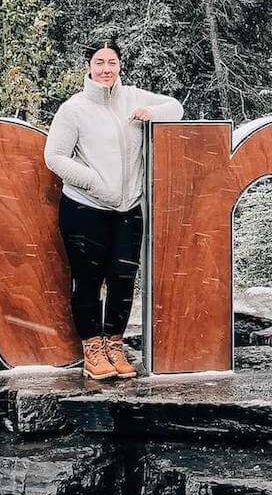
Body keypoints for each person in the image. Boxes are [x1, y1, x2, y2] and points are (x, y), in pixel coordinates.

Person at [43, 40, 183, 379]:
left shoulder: (134, 97)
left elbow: (175, 107)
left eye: (112, 61)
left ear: (119, 64)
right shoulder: (74, 109)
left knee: (122, 280)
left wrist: (153, 114)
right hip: (84, 208)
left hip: (128, 209)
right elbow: (54, 156)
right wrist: (91, 181)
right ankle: (93, 348)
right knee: (88, 281)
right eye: (99, 62)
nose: (106, 68)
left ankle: (115, 345)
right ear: (88, 67)